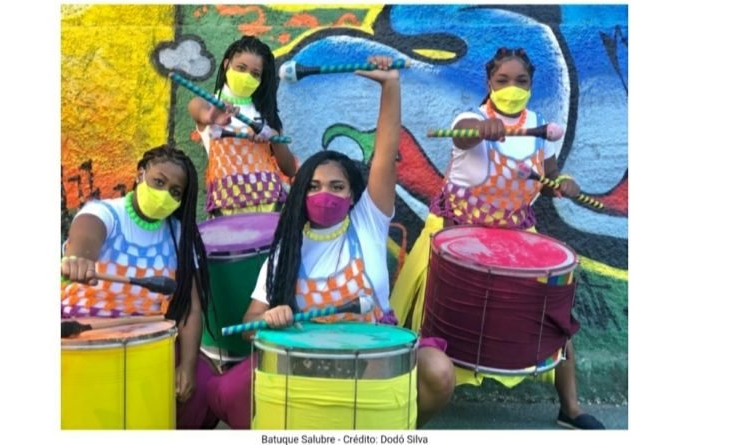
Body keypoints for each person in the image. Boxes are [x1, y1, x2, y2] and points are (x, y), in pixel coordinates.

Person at [202, 56, 455, 429]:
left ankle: (395, 428)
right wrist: (268, 320)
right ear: (301, 194)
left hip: (374, 359)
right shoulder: (286, 250)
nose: (326, 194)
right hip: (310, 362)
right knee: (234, 392)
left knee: (438, 371)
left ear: (353, 196)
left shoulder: (368, 223)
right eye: (315, 187)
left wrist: (390, 86)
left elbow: (386, 153)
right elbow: (250, 322)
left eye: (337, 187)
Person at [389, 47, 604, 429]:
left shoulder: (541, 127)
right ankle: (404, 397)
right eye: (502, 80)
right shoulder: (469, 119)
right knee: (426, 316)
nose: (511, 87)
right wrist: (480, 130)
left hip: (515, 236)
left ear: (531, 85)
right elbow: (465, 137)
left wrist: (563, 184)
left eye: (521, 80)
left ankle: (570, 407)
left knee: (551, 313)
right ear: (489, 82)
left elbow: (548, 176)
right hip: (456, 233)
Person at [61, 145, 218, 429]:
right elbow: (86, 234)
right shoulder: (105, 212)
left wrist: (187, 366)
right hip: (82, 334)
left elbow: (191, 309)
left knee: (206, 384)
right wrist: (80, 258)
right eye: (159, 182)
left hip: (147, 343)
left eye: (175, 191)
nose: (165, 194)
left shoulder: (180, 235)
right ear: (140, 174)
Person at [188, 35, 297, 216]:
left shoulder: (266, 114)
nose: (247, 77)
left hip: (269, 204)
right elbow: (197, 109)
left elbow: (290, 169)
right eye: (241, 68)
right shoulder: (207, 105)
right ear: (226, 65)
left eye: (255, 74)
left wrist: (274, 138)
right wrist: (210, 117)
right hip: (226, 206)